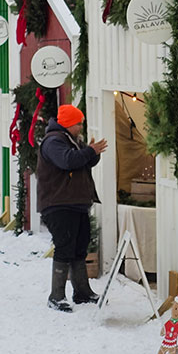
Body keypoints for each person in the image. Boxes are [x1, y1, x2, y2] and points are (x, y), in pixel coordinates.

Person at [36, 104, 107, 312]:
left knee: (79, 246)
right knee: (65, 246)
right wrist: (89, 151)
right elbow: (68, 161)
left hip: (75, 203)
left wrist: (92, 154)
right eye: (78, 123)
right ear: (69, 124)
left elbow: (81, 162)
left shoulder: (71, 140)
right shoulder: (54, 142)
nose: (81, 127)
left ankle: (82, 292)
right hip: (58, 204)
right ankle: (56, 295)